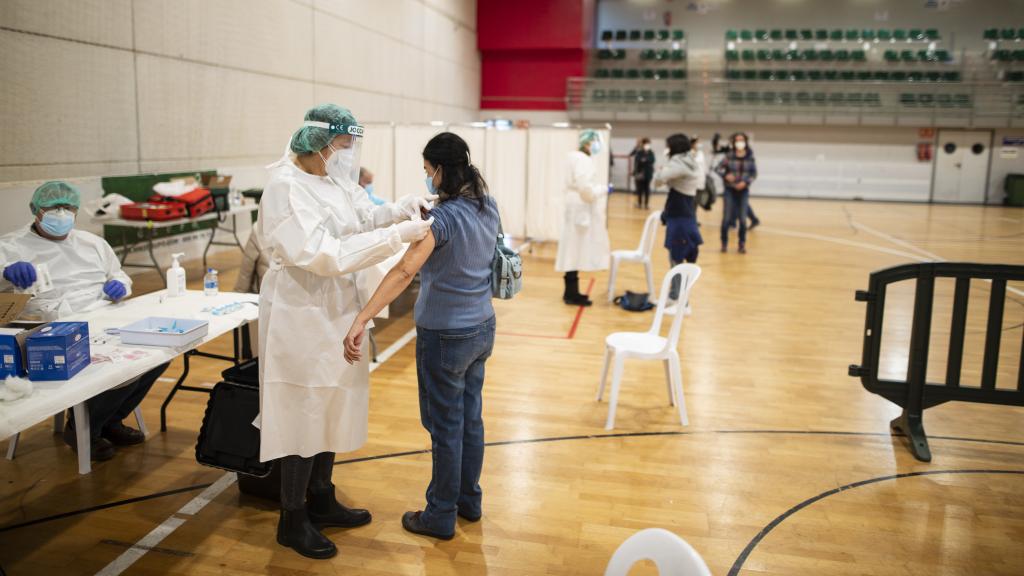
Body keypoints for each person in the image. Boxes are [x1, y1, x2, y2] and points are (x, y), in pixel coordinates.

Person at [255, 104, 435, 559]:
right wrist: (397, 238)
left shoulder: (332, 179)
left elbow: (362, 216)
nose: (347, 156)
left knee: (334, 401)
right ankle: (291, 519)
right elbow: (322, 254)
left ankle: (322, 495)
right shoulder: (284, 186)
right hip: (301, 310)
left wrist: (398, 210)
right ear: (317, 143)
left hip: (338, 306)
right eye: (341, 146)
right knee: (303, 408)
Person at [343, 132, 498, 541]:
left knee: (445, 425)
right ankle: (469, 500)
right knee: (470, 420)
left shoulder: (442, 219)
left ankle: (440, 514)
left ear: (441, 171)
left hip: (445, 334)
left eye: (428, 171)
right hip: (482, 327)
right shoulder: (487, 204)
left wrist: (362, 316)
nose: (427, 178)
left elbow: (403, 272)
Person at [0, 181, 168, 461]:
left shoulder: (93, 243)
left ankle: (110, 420)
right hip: (52, 327)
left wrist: (118, 285)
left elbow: (119, 275)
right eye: (53, 207)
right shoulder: (11, 247)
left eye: (68, 207)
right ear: (36, 211)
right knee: (113, 362)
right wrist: (6, 272)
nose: (61, 213)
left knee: (160, 352)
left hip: (102, 314)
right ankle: (83, 428)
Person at [556, 129, 610, 307]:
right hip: (581, 208)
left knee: (573, 249)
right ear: (588, 143)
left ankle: (571, 292)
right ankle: (571, 294)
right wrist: (603, 190)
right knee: (575, 250)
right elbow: (585, 188)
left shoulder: (572, 157)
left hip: (575, 207)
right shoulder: (582, 160)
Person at [653, 134, 703, 305]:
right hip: (682, 213)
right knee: (678, 259)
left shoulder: (680, 164)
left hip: (681, 217)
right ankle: (678, 297)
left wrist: (661, 169)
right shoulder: (688, 160)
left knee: (677, 260)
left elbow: (658, 179)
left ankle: (678, 299)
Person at [716, 132, 758, 253]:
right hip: (730, 190)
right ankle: (724, 243)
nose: (740, 142)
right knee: (727, 218)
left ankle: (741, 243)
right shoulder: (729, 156)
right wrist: (726, 175)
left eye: (742, 140)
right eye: (737, 140)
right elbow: (718, 168)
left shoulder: (750, 157)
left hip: (743, 190)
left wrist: (745, 182)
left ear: (745, 142)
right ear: (734, 142)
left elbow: (753, 174)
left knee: (743, 219)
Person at [630, 137, 656, 209]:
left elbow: (652, 160)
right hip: (640, 174)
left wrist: (644, 160)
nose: (647, 145)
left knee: (647, 189)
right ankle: (639, 203)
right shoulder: (639, 152)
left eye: (648, 144)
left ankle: (646, 204)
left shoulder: (651, 152)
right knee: (639, 190)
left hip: (648, 174)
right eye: (645, 143)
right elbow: (637, 160)